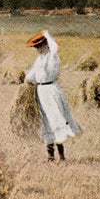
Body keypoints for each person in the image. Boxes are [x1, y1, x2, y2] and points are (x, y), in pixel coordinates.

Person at [25, 30, 81, 161]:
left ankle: (61, 155)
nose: (38, 49)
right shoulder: (38, 59)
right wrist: (26, 81)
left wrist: (46, 34)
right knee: (46, 121)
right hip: (41, 91)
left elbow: (55, 47)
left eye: (40, 46)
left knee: (56, 120)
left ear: (46, 45)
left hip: (51, 90)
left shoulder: (53, 57)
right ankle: (50, 155)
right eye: (36, 47)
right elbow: (31, 75)